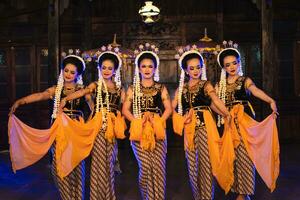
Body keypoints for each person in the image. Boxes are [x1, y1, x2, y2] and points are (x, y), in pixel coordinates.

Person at [9, 55, 92, 200]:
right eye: (66, 71)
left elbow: (93, 109)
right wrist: (21, 101)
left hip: (76, 134)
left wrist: (87, 127)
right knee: (58, 166)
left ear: (78, 74)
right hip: (59, 132)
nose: (68, 74)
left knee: (77, 166)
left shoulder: (83, 91)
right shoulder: (56, 90)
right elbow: (40, 95)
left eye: (72, 72)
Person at [60, 46, 126, 200]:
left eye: (110, 68)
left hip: (112, 130)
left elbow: (124, 108)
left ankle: (109, 196)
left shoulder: (119, 89)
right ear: (99, 68)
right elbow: (82, 92)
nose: (107, 71)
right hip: (97, 129)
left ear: (115, 70)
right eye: (104, 68)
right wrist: (66, 99)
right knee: (98, 166)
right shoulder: (95, 86)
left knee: (109, 165)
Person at [215, 42, 279, 200]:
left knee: (246, 159)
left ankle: (244, 194)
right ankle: (240, 193)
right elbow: (214, 104)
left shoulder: (244, 81)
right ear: (223, 67)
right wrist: (224, 114)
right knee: (232, 160)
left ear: (239, 63)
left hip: (244, 125)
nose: (231, 67)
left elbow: (255, 91)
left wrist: (270, 101)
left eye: (234, 63)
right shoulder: (219, 86)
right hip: (229, 126)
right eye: (227, 65)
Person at [172, 46, 231, 200]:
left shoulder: (206, 84)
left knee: (206, 165)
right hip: (189, 130)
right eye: (191, 68)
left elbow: (214, 102)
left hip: (206, 128)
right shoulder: (181, 89)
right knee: (192, 166)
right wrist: (181, 119)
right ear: (185, 70)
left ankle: (207, 197)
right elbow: (170, 109)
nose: (195, 71)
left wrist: (226, 113)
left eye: (198, 67)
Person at [122, 43, 172, 200]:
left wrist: (158, 122)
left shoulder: (161, 88)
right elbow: (125, 110)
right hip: (139, 132)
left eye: (150, 66)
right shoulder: (132, 89)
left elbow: (169, 109)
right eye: (143, 66)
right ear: (138, 69)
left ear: (155, 69)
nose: (147, 69)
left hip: (157, 132)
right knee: (145, 167)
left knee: (158, 167)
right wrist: (137, 122)